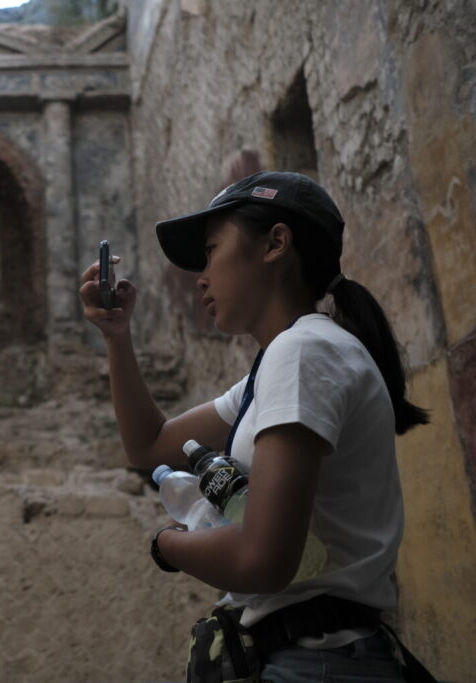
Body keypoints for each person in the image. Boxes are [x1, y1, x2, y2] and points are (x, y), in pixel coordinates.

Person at [79, 171, 432, 682]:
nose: (200, 276)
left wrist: (165, 543)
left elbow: (262, 559)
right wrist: (117, 337)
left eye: (212, 250)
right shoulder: (280, 366)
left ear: (275, 244)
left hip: (315, 663)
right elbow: (149, 446)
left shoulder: (303, 352)